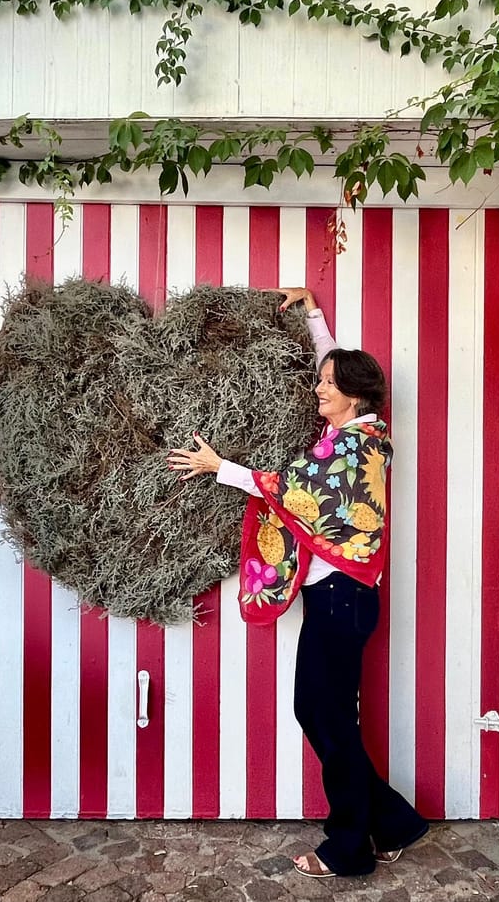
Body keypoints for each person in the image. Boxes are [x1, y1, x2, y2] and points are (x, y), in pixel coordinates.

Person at [165, 286, 428, 878]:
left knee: (321, 714)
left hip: (341, 599)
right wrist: (312, 312)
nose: (318, 388)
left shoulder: (354, 448)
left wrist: (218, 467)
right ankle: (394, 822)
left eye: (328, 385)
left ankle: (347, 847)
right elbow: (332, 362)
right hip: (340, 598)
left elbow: (294, 489)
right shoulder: (360, 435)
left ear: (353, 395)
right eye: (321, 380)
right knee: (327, 715)